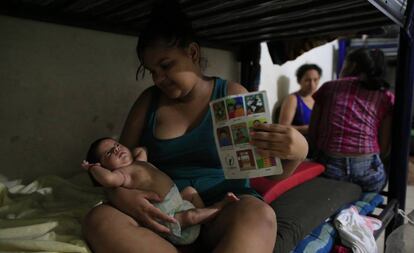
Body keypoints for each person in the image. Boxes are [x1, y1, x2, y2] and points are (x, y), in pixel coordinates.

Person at [82, 1, 308, 253]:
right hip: (161, 214)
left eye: (166, 66)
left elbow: (269, 172)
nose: (158, 79)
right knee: (98, 220)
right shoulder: (148, 102)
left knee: (260, 215)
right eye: (152, 71)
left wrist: (298, 152)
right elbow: (117, 165)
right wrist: (121, 197)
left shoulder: (231, 95)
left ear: (192, 53)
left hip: (221, 209)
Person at [82, 137, 238, 245]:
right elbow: (108, 180)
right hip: (169, 219)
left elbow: (142, 150)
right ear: (103, 167)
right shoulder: (122, 175)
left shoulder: (138, 163)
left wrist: (137, 150)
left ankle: (206, 223)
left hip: (177, 201)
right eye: (109, 153)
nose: (117, 150)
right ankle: (220, 206)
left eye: (117, 145)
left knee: (190, 191)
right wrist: (93, 168)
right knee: (190, 216)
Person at [309, 48, 394, 193]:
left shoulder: (329, 87)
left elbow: (313, 132)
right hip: (368, 173)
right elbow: (384, 146)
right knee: (381, 178)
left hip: (330, 169)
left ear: (352, 65)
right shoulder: (385, 96)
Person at [277, 63, 322, 135]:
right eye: (307, 80)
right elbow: (282, 127)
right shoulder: (293, 99)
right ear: (299, 80)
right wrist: (307, 129)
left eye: (315, 80)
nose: (312, 84)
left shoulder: (319, 98)